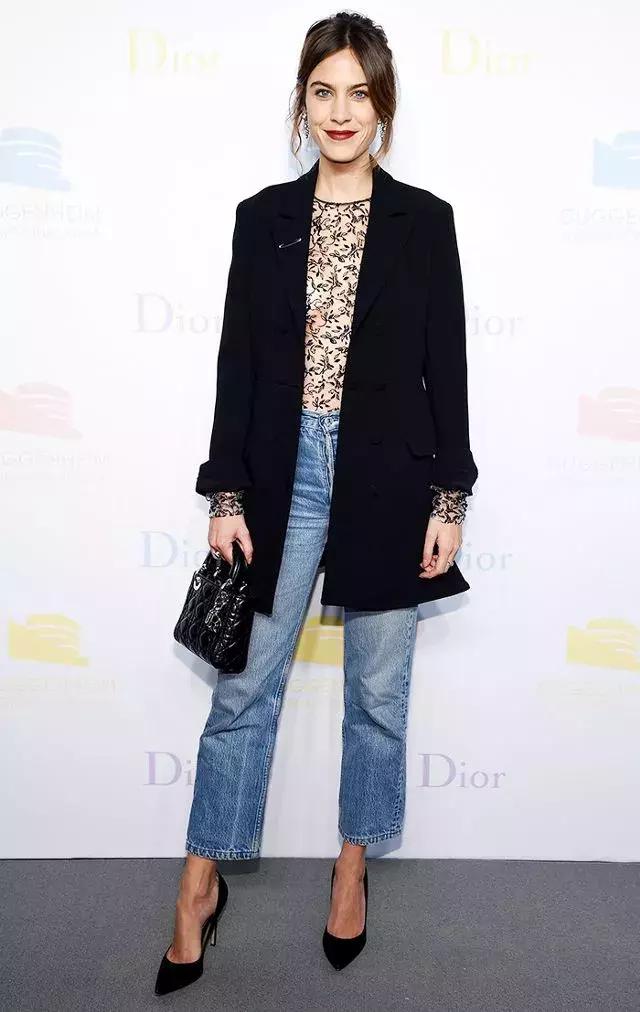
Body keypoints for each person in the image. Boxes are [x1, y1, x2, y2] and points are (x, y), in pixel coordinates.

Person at [155, 10, 478, 995]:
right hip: (280, 467)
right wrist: (226, 489)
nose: (341, 111)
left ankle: (351, 866)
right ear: (302, 103)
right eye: (323, 91)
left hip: (389, 474)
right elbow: (237, 364)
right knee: (243, 687)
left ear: (384, 105)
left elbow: (446, 366)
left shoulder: (426, 221)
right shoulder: (262, 217)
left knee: (376, 693)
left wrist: (449, 495)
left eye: (359, 92)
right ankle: (199, 885)